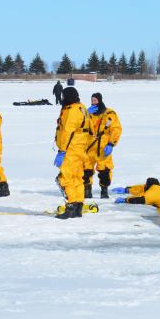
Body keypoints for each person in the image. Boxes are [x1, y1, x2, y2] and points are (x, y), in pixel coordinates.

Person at [53, 86, 90, 219]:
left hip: (71, 149)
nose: (62, 99)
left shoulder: (72, 111)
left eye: (63, 96)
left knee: (64, 178)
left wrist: (62, 151)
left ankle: (71, 206)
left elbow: (67, 131)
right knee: (76, 178)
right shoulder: (81, 107)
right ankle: (78, 207)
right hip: (80, 148)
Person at [83, 92, 122, 199]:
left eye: (95, 100)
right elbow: (81, 126)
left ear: (100, 100)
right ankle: (87, 191)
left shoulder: (109, 114)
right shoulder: (87, 113)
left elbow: (116, 129)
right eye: (92, 100)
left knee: (104, 169)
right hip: (89, 145)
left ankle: (104, 192)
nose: (93, 102)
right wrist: (86, 114)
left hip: (103, 146)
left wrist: (111, 143)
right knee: (86, 168)